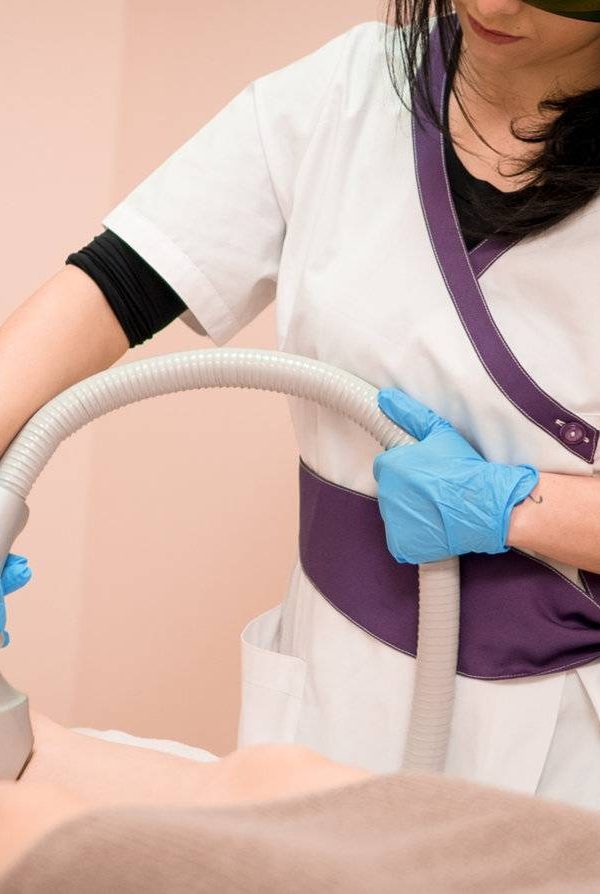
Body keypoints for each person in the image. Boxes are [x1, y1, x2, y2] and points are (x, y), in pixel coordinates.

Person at [2, 0, 600, 822]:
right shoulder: (348, 91)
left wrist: (520, 508)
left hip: (567, 730)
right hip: (333, 677)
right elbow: (117, 285)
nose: (492, 4)